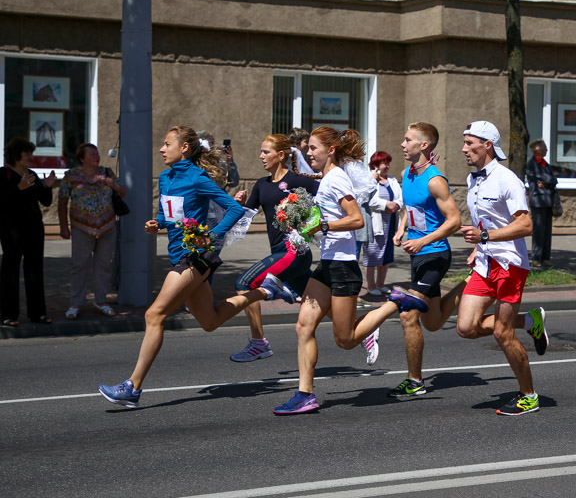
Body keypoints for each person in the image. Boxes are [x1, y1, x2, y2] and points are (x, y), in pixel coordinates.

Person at [98, 126, 276, 407]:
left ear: (184, 148)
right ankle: (265, 291)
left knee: (154, 315)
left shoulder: (196, 177)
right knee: (210, 322)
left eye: (167, 144)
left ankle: (132, 386)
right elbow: (168, 214)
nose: (161, 149)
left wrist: (214, 235)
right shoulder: (167, 177)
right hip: (177, 254)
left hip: (195, 257)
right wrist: (156, 224)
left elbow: (234, 208)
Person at [272, 127, 422, 415]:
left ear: (330, 150)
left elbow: (356, 220)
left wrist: (322, 226)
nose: (308, 153)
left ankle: (395, 301)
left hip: (343, 267)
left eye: (313, 148)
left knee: (346, 340)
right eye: (308, 148)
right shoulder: (329, 177)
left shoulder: (337, 179)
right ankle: (305, 395)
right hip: (328, 263)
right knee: (304, 326)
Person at [457, 121, 548, 416]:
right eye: (464, 143)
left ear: (487, 145)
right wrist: (477, 246)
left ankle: (529, 395)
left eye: (470, 143)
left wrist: (484, 237)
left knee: (502, 333)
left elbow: (525, 224)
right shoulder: (474, 180)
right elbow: (487, 220)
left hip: (510, 264)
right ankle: (530, 321)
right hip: (485, 262)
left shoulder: (507, 179)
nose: (464, 149)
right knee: (466, 327)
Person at [387, 122, 468, 398]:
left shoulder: (435, 180)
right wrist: (401, 230)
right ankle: (470, 284)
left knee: (408, 314)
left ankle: (415, 381)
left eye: (407, 139)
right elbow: (409, 210)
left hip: (435, 255)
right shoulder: (406, 174)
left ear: (424, 145)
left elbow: (455, 221)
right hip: (417, 256)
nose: (402, 144)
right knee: (432, 322)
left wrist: (423, 240)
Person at [229, 133, 320, 363]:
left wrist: (312, 222)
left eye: (265, 152)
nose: (261, 156)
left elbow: (326, 195)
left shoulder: (299, 181)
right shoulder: (261, 185)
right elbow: (245, 217)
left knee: (243, 283)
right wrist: (237, 204)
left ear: (280, 155)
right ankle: (363, 330)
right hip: (281, 252)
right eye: (261, 151)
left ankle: (259, 343)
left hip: (294, 250)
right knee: (318, 301)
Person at [58, 143, 126, 319]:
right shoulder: (71, 176)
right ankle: (75, 303)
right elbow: (62, 201)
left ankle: (100, 301)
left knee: (103, 266)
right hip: (82, 227)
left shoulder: (107, 172)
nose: (96, 156)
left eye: (97, 153)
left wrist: (114, 185)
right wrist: (63, 226)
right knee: (79, 265)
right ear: (82, 158)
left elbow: (123, 192)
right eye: (91, 154)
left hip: (107, 226)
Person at [1, 137, 56, 327]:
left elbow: (46, 202)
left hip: (34, 228)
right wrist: (19, 188)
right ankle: (8, 314)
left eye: (31, 153)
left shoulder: (31, 174)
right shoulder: (4, 174)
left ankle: (38, 314)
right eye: (26, 153)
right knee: (10, 270)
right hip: (11, 230)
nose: (30, 156)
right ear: (16, 155)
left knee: (34, 270)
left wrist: (47, 186)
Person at [362, 151, 402, 296]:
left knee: (386, 255)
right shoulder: (369, 180)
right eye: (385, 163)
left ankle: (381, 283)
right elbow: (367, 200)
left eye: (388, 163)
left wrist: (396, 205)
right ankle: (371, 286)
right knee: (373, 254)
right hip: (375, 223)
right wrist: (386, 205)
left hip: (390, 222)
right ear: (376, 165)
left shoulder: (392, 180)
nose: (388, 166)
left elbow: (400, 197)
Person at [525, 139, 557, 269]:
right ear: (537, 150)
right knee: (538, 231)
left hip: (548, 200)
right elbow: (537, 178)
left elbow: (553, 179)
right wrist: (546, 180)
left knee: (547, 231)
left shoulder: (545, 164)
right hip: (538, 201)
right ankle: (536, 258)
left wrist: (547, 182)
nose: (547, 150)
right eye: (544, 148)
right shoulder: (531, 164)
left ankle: (546, 257)